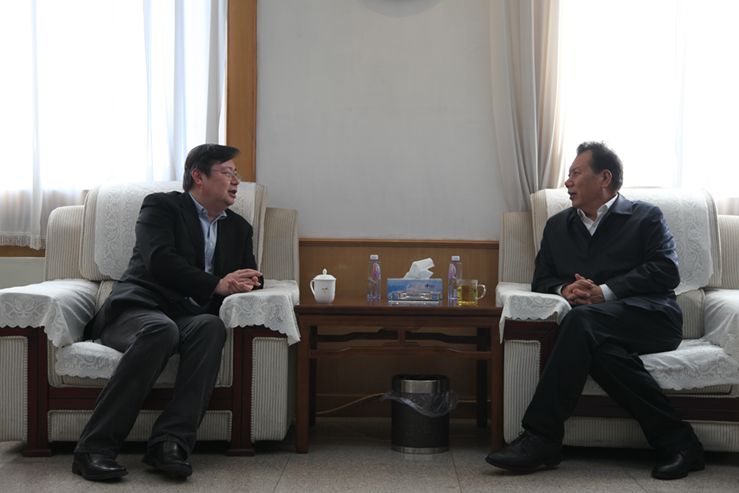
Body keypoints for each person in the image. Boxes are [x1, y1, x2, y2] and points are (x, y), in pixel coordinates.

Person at [485, 142, 704, 480]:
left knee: (581, 321)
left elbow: (666, 270)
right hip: (592, 327)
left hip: (652, 317)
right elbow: (542, 279)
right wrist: (565, 290)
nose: (567, 181)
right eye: (568, 174)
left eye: (575, 173)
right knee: (601, 353)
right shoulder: (557, 226)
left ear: (604, 178)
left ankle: (542, 437)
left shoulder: (646, 217)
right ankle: (681, 444)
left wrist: (605, 292)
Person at [72, 144, 263, 481]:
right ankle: (94, 448)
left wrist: (247, 283)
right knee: (161, 330)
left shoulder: (239, 228)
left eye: (237, 174)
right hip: (135, 309)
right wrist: (218, 284)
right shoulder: (161, 207)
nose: (236, 181)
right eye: (227, 172)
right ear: (198, 176)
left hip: (185, 317)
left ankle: (169, 444)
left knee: (210, 327)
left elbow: (251, 276)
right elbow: (159, 260)